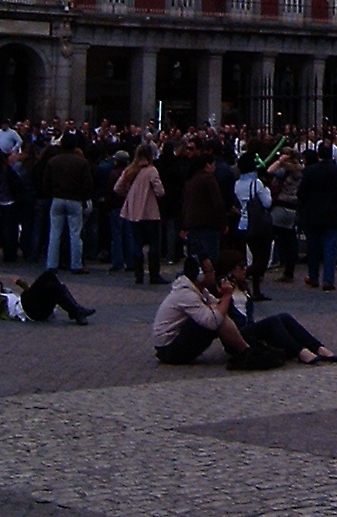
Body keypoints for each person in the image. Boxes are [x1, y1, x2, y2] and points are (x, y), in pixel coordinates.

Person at [151, 255, 277, 369]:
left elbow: (216, 304)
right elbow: (212, 322)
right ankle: (246, 352)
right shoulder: (186, 294)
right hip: (168, 349)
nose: (214, 273)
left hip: (174, 341)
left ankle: (246, 350)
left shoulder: (198, 290)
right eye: (211, 270)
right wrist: (227, 296)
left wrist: (221, 299)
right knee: (217, 319)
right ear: (200, 275)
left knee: (217, 313)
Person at [212, 251, 337, 362]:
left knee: (284, 317)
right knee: (272, 322)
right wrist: (225, 293)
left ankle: (318, 348)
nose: (245, 269)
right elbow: (221, 316)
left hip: (249, 328)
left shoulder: (243, 287)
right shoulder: (221, 290)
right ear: (230, 271)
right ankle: (301, 352)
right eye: (241, 267)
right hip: (236, 335)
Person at [297, 141, 337, 290]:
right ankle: (328, 280)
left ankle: (313, 277)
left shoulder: (310, 171)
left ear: (318, 154)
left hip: (312, 214)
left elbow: (301, 193)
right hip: (332, 215)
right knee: (330, 248)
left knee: (313, 248)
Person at [117, 143, 166, 284]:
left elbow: (118, 187)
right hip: (150, 211)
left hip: (133, 211)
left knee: (137, 243)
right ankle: (154, 275)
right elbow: (160, 191)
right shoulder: (151, 170)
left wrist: (129, 194)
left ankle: (138, 275)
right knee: (153, 244)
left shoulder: (130, 170)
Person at [44, 134, 93, 273]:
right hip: (75, 199)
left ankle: (51, 264)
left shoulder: (53, 161)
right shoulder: (81, 162)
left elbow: (45, 182)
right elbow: (88, 184)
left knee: (54, 233)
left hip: (57, 197)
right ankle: (76, 265)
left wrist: (51, 193)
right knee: (75, 233)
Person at [233, 153, 273, 299]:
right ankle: (243, 276)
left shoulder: (237, 184)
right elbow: (267, 202)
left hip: (243, 224)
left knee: (252, 256)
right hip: (257, 225)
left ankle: (255, 289)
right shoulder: (257, 183)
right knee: (261, 259)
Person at [181, 155, 226, 266]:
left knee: (196, 256)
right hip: (209, 223)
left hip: (193, 223)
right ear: (207, 165)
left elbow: (185, 203)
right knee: (211, 257)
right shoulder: (209, 179)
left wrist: (184, 225)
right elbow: (217, 202)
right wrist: (223, 222)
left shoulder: (191, 180)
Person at [268, 147, 303, 282]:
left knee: (274, 234)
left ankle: (275, 261)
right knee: (289, 237)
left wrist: (279, 161)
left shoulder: (284, 170)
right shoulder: (299, 169)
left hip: (281, 204)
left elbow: (269, 171)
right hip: (293, 205)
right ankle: (289, 268)